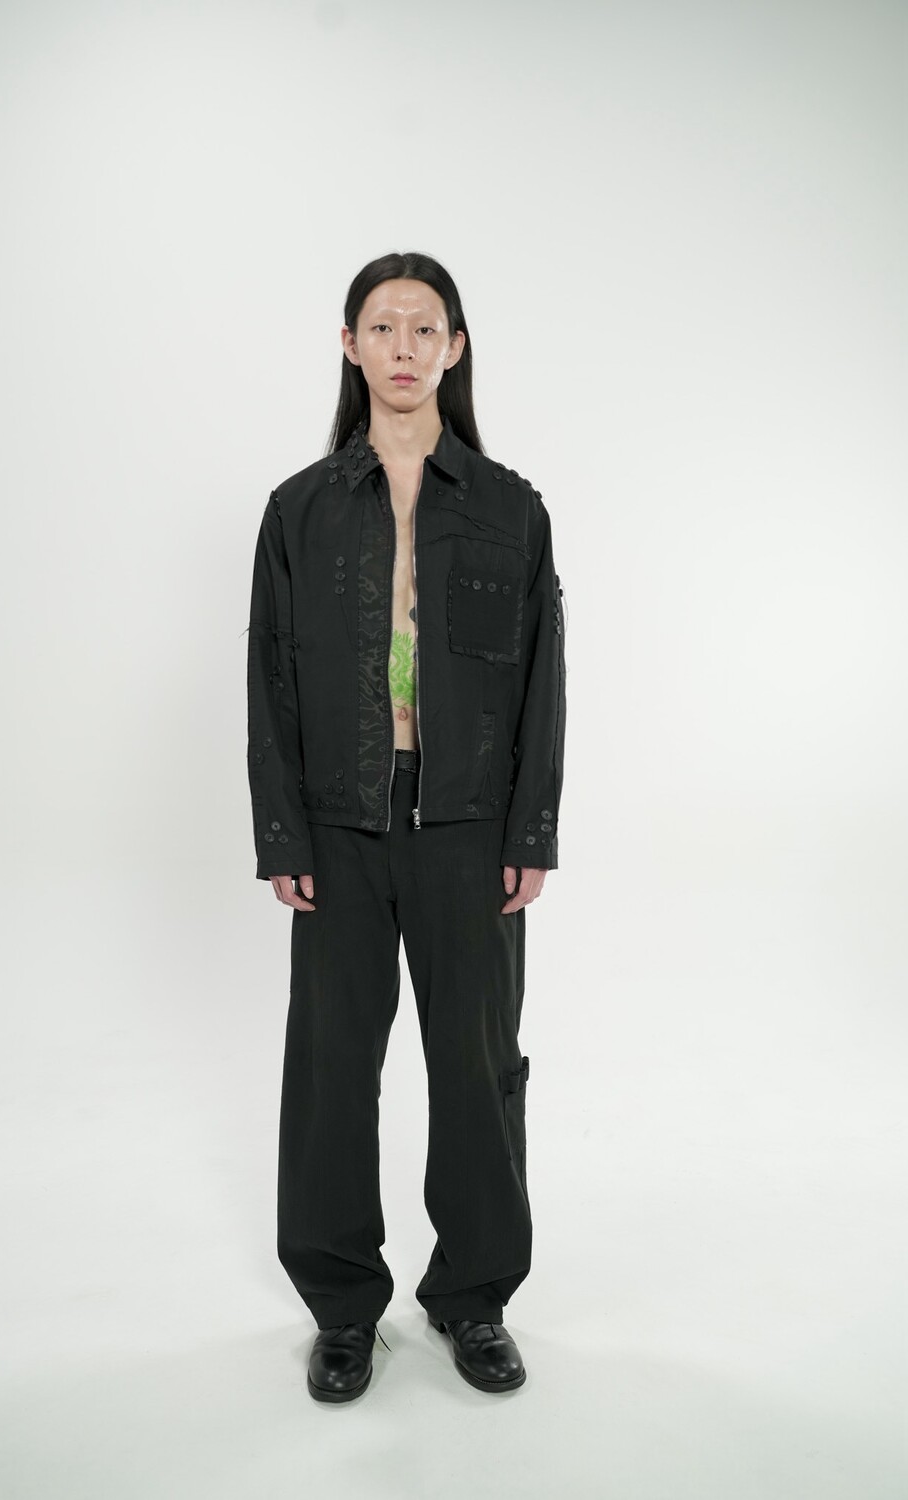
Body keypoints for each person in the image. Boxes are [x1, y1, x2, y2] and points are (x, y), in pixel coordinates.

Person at [246, 251, 566, 1403]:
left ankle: (472, 1298)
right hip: (339, 825)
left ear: (453, 348)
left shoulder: (509, 507)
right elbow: (269, 681)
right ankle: (342, 1309)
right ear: (349, 346)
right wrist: (283, 836)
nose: (401, 346)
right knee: (333, 1070)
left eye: (422, 328)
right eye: (380, 327)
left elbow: (542, 681)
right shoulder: (299, 509)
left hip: (467, 826)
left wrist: (530, 831)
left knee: (475, 1069)